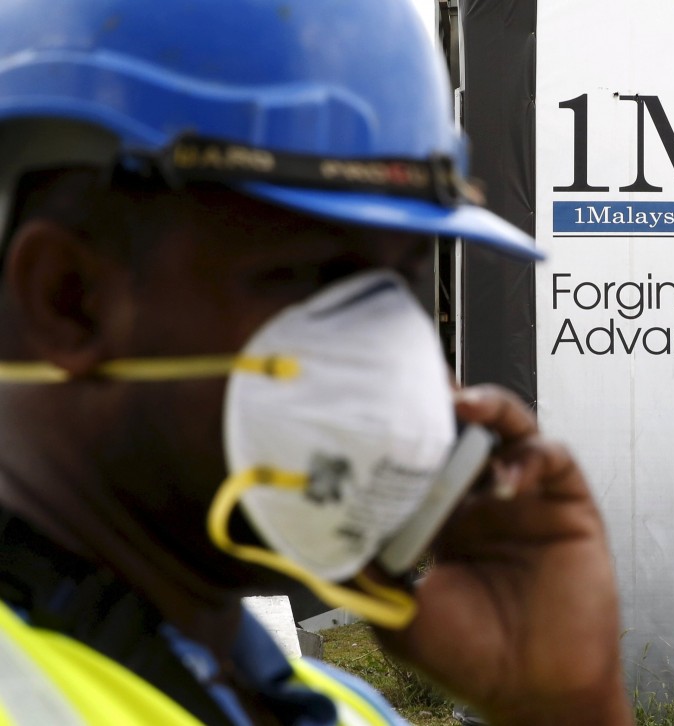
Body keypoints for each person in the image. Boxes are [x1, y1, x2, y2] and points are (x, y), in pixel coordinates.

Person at [0, 1, 634, 725]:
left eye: (401, 281)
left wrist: (563, 705)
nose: (384, 356)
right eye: (314, 274)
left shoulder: (339, 709)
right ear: (68, 299)